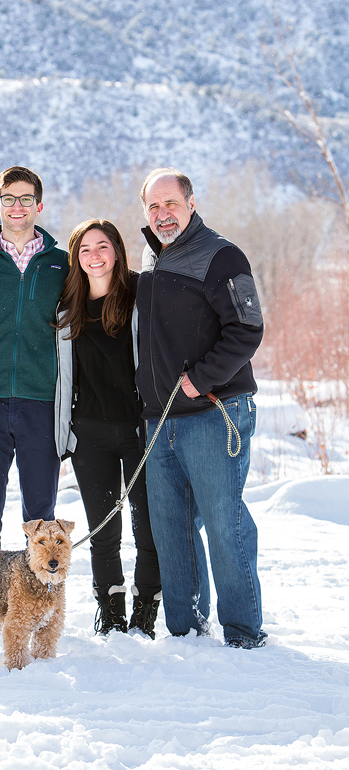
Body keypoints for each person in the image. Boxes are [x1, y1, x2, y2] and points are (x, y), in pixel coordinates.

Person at [135, 168, 265, 648]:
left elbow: (247, 329)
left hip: (214, 412)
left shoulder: (221, 255)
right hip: (160, 419)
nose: (162, 214)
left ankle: (243, 632)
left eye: (170, 203)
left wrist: (199, 380)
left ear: (190, 202)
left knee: (223, 521)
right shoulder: (152, 257)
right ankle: (185, 629)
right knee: (172, 530)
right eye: (153, 206)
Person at [55, 219, 161, 637]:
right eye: (85, 249)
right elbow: (65, 379)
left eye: (102, 246)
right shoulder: (68, 311)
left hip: (138, 432)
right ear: (76, 259)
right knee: (103, 530)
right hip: (90, 436)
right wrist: (64, 433)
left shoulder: (139, 299)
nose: (94, 255)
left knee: (147, 525)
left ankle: (146, 609)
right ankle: (111, 611)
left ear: (116, 251)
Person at [0, 166, 68, 549]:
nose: (17, 206)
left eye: (25, 199)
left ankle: (38, 607)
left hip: (42, 401)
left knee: (40, 518)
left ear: (39, 205)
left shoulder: (63, 265)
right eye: (9, 199)